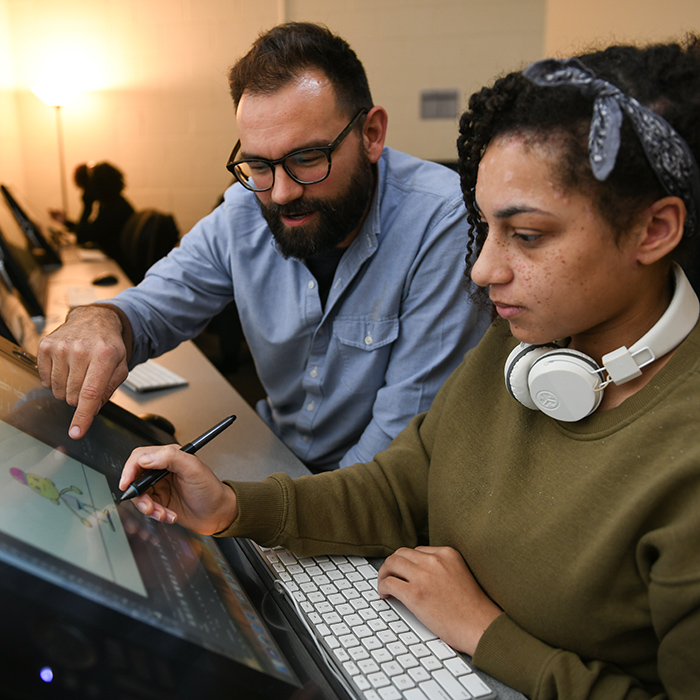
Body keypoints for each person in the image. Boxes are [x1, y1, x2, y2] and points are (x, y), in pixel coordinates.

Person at [117, 36, 700, 698]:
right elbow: (396, 489)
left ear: (654, 231)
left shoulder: (682, 456)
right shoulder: (523, 349)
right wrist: (229, 506)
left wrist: (486, 633)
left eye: (528, 236)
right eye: (485, 229)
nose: (482, 270)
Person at [37, 22, 489, 471]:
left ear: (371, 134)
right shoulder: (243, 209)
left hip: (368, 500)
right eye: (258, 164)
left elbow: (396, 453)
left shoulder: (442, 222)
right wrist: (103, 319)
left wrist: (271, 513)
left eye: (307, 158)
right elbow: (152, 308)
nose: (280, 193)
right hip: (280, 458)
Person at [50, 161, 135, 263]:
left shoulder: (113, 209)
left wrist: (87, 206)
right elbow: (90, 231)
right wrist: (66, 222)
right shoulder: (113, 203)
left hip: (120, 266)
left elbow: (84, 236)